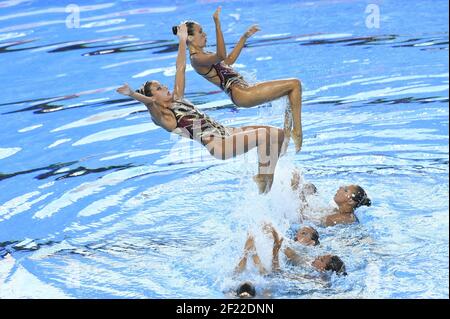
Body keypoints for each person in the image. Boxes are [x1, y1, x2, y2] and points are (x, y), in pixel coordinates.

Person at [116, 24, 286, 193]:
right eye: (159, 88)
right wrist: (132, 94)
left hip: (227, 132)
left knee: (278, 134)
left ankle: (267, 180)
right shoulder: (165, 118)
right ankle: (264, 184)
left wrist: (182, 41)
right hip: (218, 144)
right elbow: (149, 103)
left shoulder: (178, 97)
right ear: (153, 97)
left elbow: (180, 67)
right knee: (264, 136)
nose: (165, 87)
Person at [174, 7, 303, 154]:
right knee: (295, 84)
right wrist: (217, 24)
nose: (204, 34)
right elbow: (221, 55)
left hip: (243, 91)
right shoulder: (197, 59)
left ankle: (286, 137)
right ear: (189, 38)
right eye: (200, 31)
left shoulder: (204, 55)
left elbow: (227, 61)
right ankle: (297, 132)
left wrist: (244, 37)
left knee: (290, 95)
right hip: (242, 93)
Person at [234, 224, 345, 298]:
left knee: (264, 273)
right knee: (262, 271)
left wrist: (276, 248)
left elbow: (277, 274)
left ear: (322, 268)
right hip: (278, 282)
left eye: (320, 259)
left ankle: (249, 251)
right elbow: (286, 259)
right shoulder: (308, 265)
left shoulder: (315, 279)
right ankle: (249, 250)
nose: (316, 258)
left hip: (280, 285)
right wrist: (274, 239)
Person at [290, 171, 372, 226]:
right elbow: (309, 212)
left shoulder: (338, 219)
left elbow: (303, 219)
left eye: (345, 190)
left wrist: (298, 191)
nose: (340, 187)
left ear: (350, 201)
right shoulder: (335, 211)